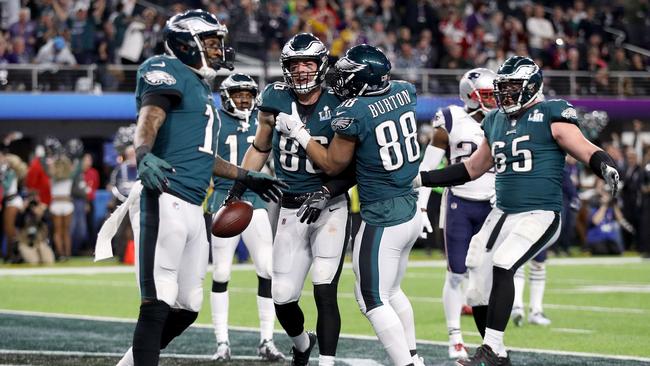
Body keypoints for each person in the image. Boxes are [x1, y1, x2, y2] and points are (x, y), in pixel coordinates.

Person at [103, 10, 285, 366]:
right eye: (211, 42)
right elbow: (149, 117)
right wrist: (142, 153)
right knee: (159, 300)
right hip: (164, 195)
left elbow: (203, 155)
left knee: (189, 305)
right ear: (186, 44)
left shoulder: (201, 89)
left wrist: (244, 176)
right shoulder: (163, 68)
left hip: (193, 205)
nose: (219, 50)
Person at [415, 56, 620, 366]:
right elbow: (471, 168)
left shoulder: (551, 112)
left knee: (503, 262)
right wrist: (422, 178)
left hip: (541, 212)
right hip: (503, 212)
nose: (505, 95)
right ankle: (498, 354)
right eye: (503, 88)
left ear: (531, 87)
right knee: (476, 283)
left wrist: (605, 165)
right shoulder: (495, 120)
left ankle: (491, 349)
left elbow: (584, 148)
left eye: (512, 88)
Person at [276, 44, 425, 366]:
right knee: (394, 291)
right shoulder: (404, 90)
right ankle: (414, 355)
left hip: (383, 213)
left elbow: (332, 164)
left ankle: (407, 364)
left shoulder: (354, 112)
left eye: (348, 75)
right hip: (410, 204)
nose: (339, 79)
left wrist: (300, 133)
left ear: (366, 80)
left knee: (370, 298)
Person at [230, 33, 350, 366]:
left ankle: (326, 363)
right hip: (290, 206)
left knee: (324, 287)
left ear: (321, 65)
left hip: (330, 208)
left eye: (308, 63)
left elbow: (350, 167)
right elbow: (260, 147)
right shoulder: (273, 98)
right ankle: (301, 344)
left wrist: (326, 192)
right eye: (294, 65)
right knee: (282, 298)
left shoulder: (340, 101)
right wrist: (240, 184)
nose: (301, 71)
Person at [416, 68, 498, 359]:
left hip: (492, 204)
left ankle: (491, 342)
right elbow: (429, 165)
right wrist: (422, 205)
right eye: (487, 94)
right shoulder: (451, 117)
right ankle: (455, 337)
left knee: (489, 275)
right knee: (456, 273)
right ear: (470, 95)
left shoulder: (503, 120)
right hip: (460, 203)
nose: (493, 99)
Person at [206, 73, 284, 361]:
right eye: (239, 94)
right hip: (224, 199)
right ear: (227, 96)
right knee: (222, 272)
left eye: (248, 94)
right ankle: (222, 342)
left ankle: (266, 340)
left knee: (267, 269)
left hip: (255, 200)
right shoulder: (213, 120)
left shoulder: (262, 120)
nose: (244, 99)